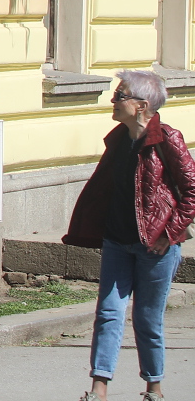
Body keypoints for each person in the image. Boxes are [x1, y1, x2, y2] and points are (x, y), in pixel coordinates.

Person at [63, 69, 195, 401]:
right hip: (117, 241)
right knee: (108, 311)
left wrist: (171, 231)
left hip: (156, 247)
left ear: (142, 105)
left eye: (120, 95)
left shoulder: (168, 138)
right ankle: (99, 388)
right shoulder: (119, 139)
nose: (113, 100)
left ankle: (154, 386)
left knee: (147, 318)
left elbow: (193, 189)